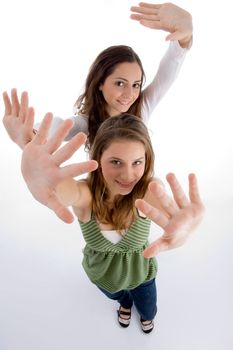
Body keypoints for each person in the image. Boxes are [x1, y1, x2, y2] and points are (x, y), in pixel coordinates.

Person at [21, 112, 204, 334]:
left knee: (148, 308)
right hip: (102, 276)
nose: (128, 175)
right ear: (98, 159)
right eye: (116, 162)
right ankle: (125, 304)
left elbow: (161, 198)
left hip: (142, 276)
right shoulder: (86, 194)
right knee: (118, 296)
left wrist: (184, 223)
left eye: (137, 162)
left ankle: (145, 316)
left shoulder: (146, 191)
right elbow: (67, 191)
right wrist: (46, 182)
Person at [3, 2, 193, 149]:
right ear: (100, 82)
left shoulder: (142, 108)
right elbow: (61, 127)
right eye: (120, 83)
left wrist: (184, 36)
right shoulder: (87, 122)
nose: (130, 93)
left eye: (136, 84)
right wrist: (33, 132)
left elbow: (168, 72)